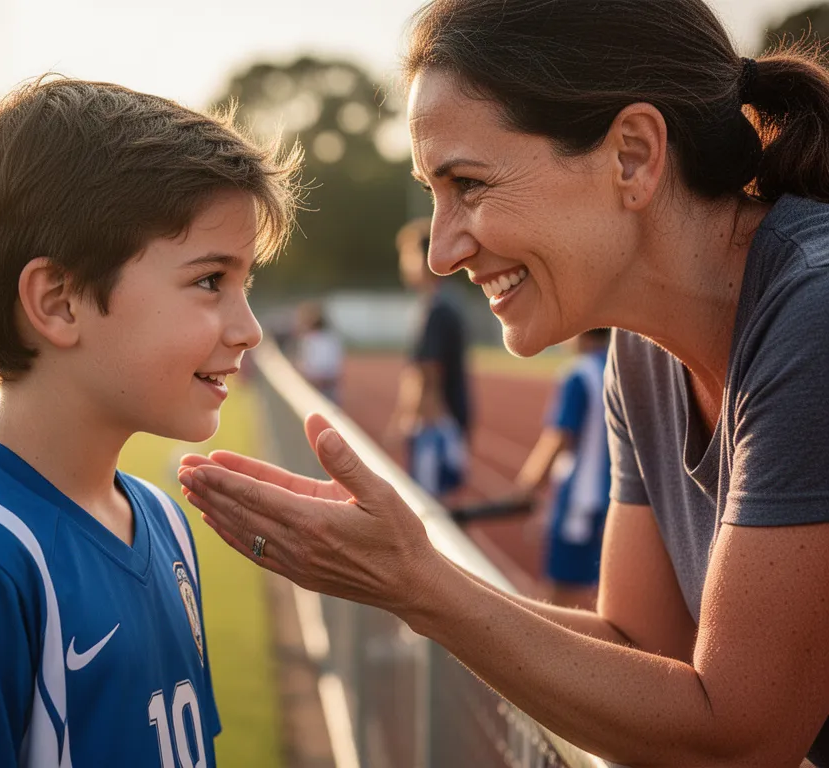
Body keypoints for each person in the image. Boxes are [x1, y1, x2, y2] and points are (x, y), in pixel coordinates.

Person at [177, 2, 829, 765]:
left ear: (634, 156)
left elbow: (741, 738)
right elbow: (645, 652)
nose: (441, 253)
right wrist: (403, 565)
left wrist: (417, 585)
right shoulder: (641, 354)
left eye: (469, 184)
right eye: (432, 192)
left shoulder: (813, 313)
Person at [0, 77, 300, 767]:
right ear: (58, 301)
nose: (248, 330)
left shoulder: (160, 518)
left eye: (246, 284)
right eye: (211, 281)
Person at [514, 329, 611, 609]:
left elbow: (558, 438)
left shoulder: (578, 374)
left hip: (581, 500)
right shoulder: (620, 369)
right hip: (618, 499)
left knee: (556, 596)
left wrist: (527, 486)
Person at [386, 217, 471, 498]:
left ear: (424, 259)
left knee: (430, 508)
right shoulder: (439, 305)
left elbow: (429, 375)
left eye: (407, 256)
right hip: (444, 420)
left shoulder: (436, 309)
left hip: (435, 424)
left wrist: (407, 422)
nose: (403, 264)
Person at [293, 301, 345, 402]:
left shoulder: (308, 339)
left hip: (318, 382)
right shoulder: (332, 338)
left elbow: (307, 364)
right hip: (327, 382)